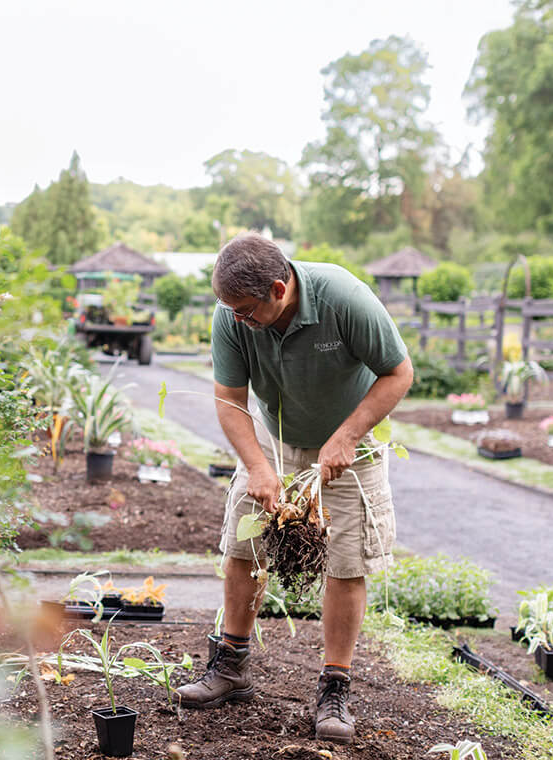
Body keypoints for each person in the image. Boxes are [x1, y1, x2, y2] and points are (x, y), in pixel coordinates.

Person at [174, 233, 413, 744]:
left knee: (345, 565)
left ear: (279, 289)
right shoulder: (231, 315)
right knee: (243, 548)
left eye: (244, 309)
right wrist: (259, 468)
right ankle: (231, 666)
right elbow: (230, 399)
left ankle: (335, 688)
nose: (235, 318)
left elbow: (398, 372)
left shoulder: (344, 299)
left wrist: (348, 434)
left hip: (351, 446)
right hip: (276, 448)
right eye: (229, 309)